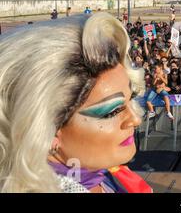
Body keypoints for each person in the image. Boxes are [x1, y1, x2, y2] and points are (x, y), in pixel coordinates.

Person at [0, 13, 152, 193]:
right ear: (44, 129)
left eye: (131, 98)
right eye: (112, 111)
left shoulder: (106, 174)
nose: (135, 119)